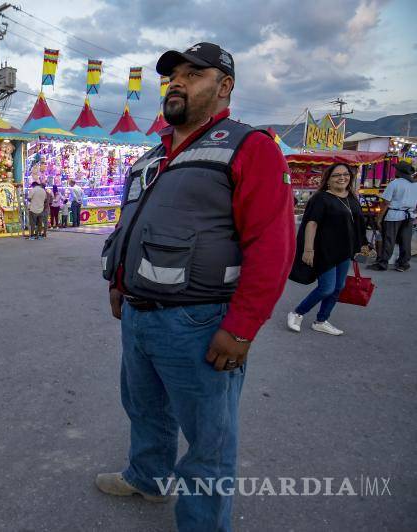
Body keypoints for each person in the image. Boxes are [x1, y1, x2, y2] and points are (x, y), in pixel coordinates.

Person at [98, 43, 295, 531]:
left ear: (224, 86)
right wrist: (119, 282)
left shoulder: (251, 148)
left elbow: (272, 247)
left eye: (193, 74)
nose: (177, 82)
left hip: (200, 324)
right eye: (172, 76)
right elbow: (131, 223)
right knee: (144, 410)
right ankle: (148, 477)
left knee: (209, 442)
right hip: (139, 317)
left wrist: (243, 328)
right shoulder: (152, 154)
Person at [287, 164, 370, 336]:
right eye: (336, 175)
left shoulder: (351, 197)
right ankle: (297, 313)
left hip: (345, 251)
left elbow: (358, 224)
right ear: (328, 180)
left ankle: (321, 320)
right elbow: (311, 223)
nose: (342, 178)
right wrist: (308, 249)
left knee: (338, 287)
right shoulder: (321, 198)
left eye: (345, 174)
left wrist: (363, 244)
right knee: (326, 288)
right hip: (325, 251)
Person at [369, 160, 416, 272]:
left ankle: (383, 263)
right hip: (409, 215)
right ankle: (403, 264)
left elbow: (385, 202)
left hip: (394, 215)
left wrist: (379, 218)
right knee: (405, 240)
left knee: (389, 239)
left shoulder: (395, 183)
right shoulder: (415, 185)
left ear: (399, 172)